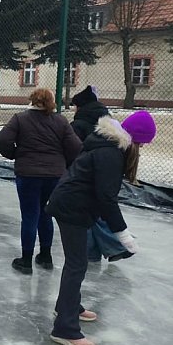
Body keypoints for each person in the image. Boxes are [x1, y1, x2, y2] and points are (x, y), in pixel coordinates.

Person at [45, 111, 156, 345]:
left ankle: (68, 308)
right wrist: (122, 234)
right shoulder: (110, 154)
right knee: (76, 265)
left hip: (72, 205)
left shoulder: (106, 145)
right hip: (72, 208)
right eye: (141, 144)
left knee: (77, 262)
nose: (140, 150)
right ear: (135, 140)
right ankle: (65, 329)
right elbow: (107, 198)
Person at [0, 88, 82, 275]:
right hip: (54, 176)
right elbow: (75, 146)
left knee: (29, 215)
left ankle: (26, 260)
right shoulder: (60, 121)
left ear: (32, 100)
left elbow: (3, 139)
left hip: (28, 174)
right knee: (46, 213)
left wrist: (15, 154)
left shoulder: (20, 118)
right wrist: (63, 163)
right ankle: (45, 256)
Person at [70, 85, 133, 263]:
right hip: (105, 173)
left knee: (86, 216)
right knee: (97, 212)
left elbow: (72, 149)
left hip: (83, 174)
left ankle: (104, 249)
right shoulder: (108, 121)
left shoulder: (78, 125)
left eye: (75, 106)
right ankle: (108, 248)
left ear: (80, 106)